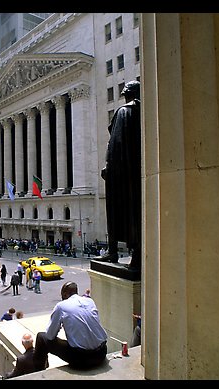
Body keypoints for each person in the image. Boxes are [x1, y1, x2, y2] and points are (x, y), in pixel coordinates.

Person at [94, 80, 142, 276]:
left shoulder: (124, 112)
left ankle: (113, 252)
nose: (123, 95)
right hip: (138, 172)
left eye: (125, 92)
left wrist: (109, 167)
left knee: (114, 211)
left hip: (120, 173)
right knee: (135, 213)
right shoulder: (145, 111)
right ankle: (135, 254)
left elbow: (114, 143)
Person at [33, 281, 108, 370]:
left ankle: (38, 371)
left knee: (41, 337)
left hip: (82, 359)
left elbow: (50, 335)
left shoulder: (61, 306)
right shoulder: (90, 301)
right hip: (102, 353)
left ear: (64, 294)